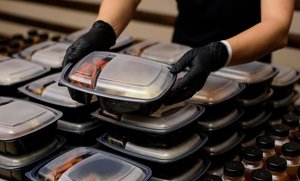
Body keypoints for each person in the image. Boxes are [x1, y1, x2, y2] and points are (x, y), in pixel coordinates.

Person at [62, 0, 295, 105]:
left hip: (245, 67)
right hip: (182, 63)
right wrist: (104, 29)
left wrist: (219, 52)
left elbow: (277, 26)